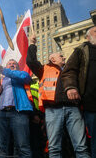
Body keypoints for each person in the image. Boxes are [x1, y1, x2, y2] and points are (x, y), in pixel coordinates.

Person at [26, 35, 90, 158]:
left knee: (81, 147)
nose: (64, 57)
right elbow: (30, 61)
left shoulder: (71, 70)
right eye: (61, 56)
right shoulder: (43, 69)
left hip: (73, 109)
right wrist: (32, 44)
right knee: (54, 148)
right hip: (53, 110)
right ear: (53, 59)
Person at [61, 26, 96, 158]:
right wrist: (71, 87)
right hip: (92, 105)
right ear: (87, 37)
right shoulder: (81, 50)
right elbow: (70, 70)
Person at [0, 59, 33, 158]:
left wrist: (4, 70)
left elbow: (25, 77)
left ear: (18, 67)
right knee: (2, 146)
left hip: (18, 113)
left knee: (23, 146)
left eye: (14, 63)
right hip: (2, 114)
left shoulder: (21, 75)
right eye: (9, 63)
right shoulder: (1, 81)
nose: (12, 64)